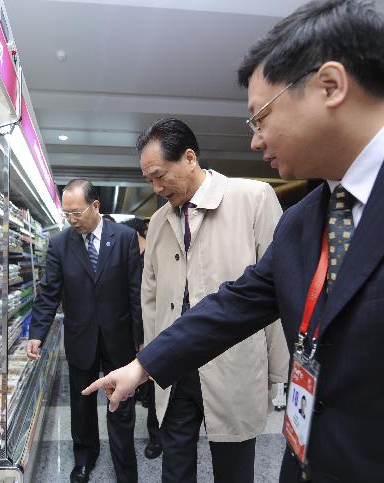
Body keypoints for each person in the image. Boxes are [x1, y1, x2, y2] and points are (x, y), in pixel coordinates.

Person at [83, 1, 384, 481]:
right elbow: (235, 305)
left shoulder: (261, 201)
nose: (255, 141)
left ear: (331, 86)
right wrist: (143, 366)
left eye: (260, 117)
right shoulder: (305, 220)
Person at [134, 117, 288, 483]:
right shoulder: (157, 222)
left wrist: (279, 371)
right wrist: (153, 359)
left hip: (232, 361)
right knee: (175, 469)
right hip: (174, 367)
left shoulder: (254, 198)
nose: (156, 187)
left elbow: (279, 288)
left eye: (160, 175)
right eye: (149, 180)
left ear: (189, 157)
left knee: (234, 469)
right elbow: (151, 296)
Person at [28, 179, 143, 483]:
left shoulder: (125, 238)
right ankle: (84, 458)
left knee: (120, 403)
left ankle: (125, 468)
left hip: (118, 337)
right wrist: (37, 332)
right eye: (67, 214)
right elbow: (49, 292)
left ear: (95, 206)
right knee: (81, 404)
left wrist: (140, 338)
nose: (72, 220)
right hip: (80, 337)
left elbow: (135, 291)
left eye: (76, 213)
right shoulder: (59, 244)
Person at [121, 217, 163, 459]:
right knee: (153, 385)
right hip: (141, 327)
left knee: (161, 384)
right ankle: (155, 436)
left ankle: (159, 436)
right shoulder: (132, 256)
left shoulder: (153, 253)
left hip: (162, 325)